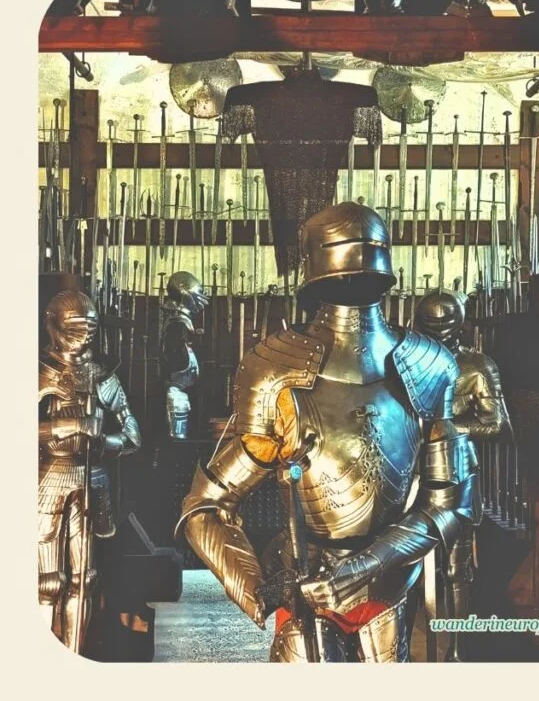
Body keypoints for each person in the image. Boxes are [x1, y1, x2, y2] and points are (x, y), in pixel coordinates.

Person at [177, 202, 476, 662]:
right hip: (306, 585)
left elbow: (450, 504)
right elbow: (207, 506)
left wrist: (367, 564)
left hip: (388, 582)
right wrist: (260, 590)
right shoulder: (276, 372)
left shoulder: (428, 366)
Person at [39, 289, 141, 651]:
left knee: (85, 578)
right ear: (53, 326)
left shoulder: (102, 377)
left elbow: (133, 433)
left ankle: (73, 653)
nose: (83, 337)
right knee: (48, 581)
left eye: (89, 329)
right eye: (74, 328)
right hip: (48, 478)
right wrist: (67, 427)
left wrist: (105, 442)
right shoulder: (37, 372)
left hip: (92, 478)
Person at [414, 289, 509, 661]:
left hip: (457, 470)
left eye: (444, 324)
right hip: (409, 470)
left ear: (461, 324)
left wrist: (446, 428)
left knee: (456, 570)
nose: (437, 332)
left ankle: (457, 650)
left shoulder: (477, 367)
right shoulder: (403, 359)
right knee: (403, 566)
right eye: (430, 324)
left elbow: (497, 425)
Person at [160, 271, 208, 439]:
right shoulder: (176, 325)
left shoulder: (181, 324)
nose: (202, 297)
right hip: (177, 397)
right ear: (184, 291)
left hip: (187, 394)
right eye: (198, 291)